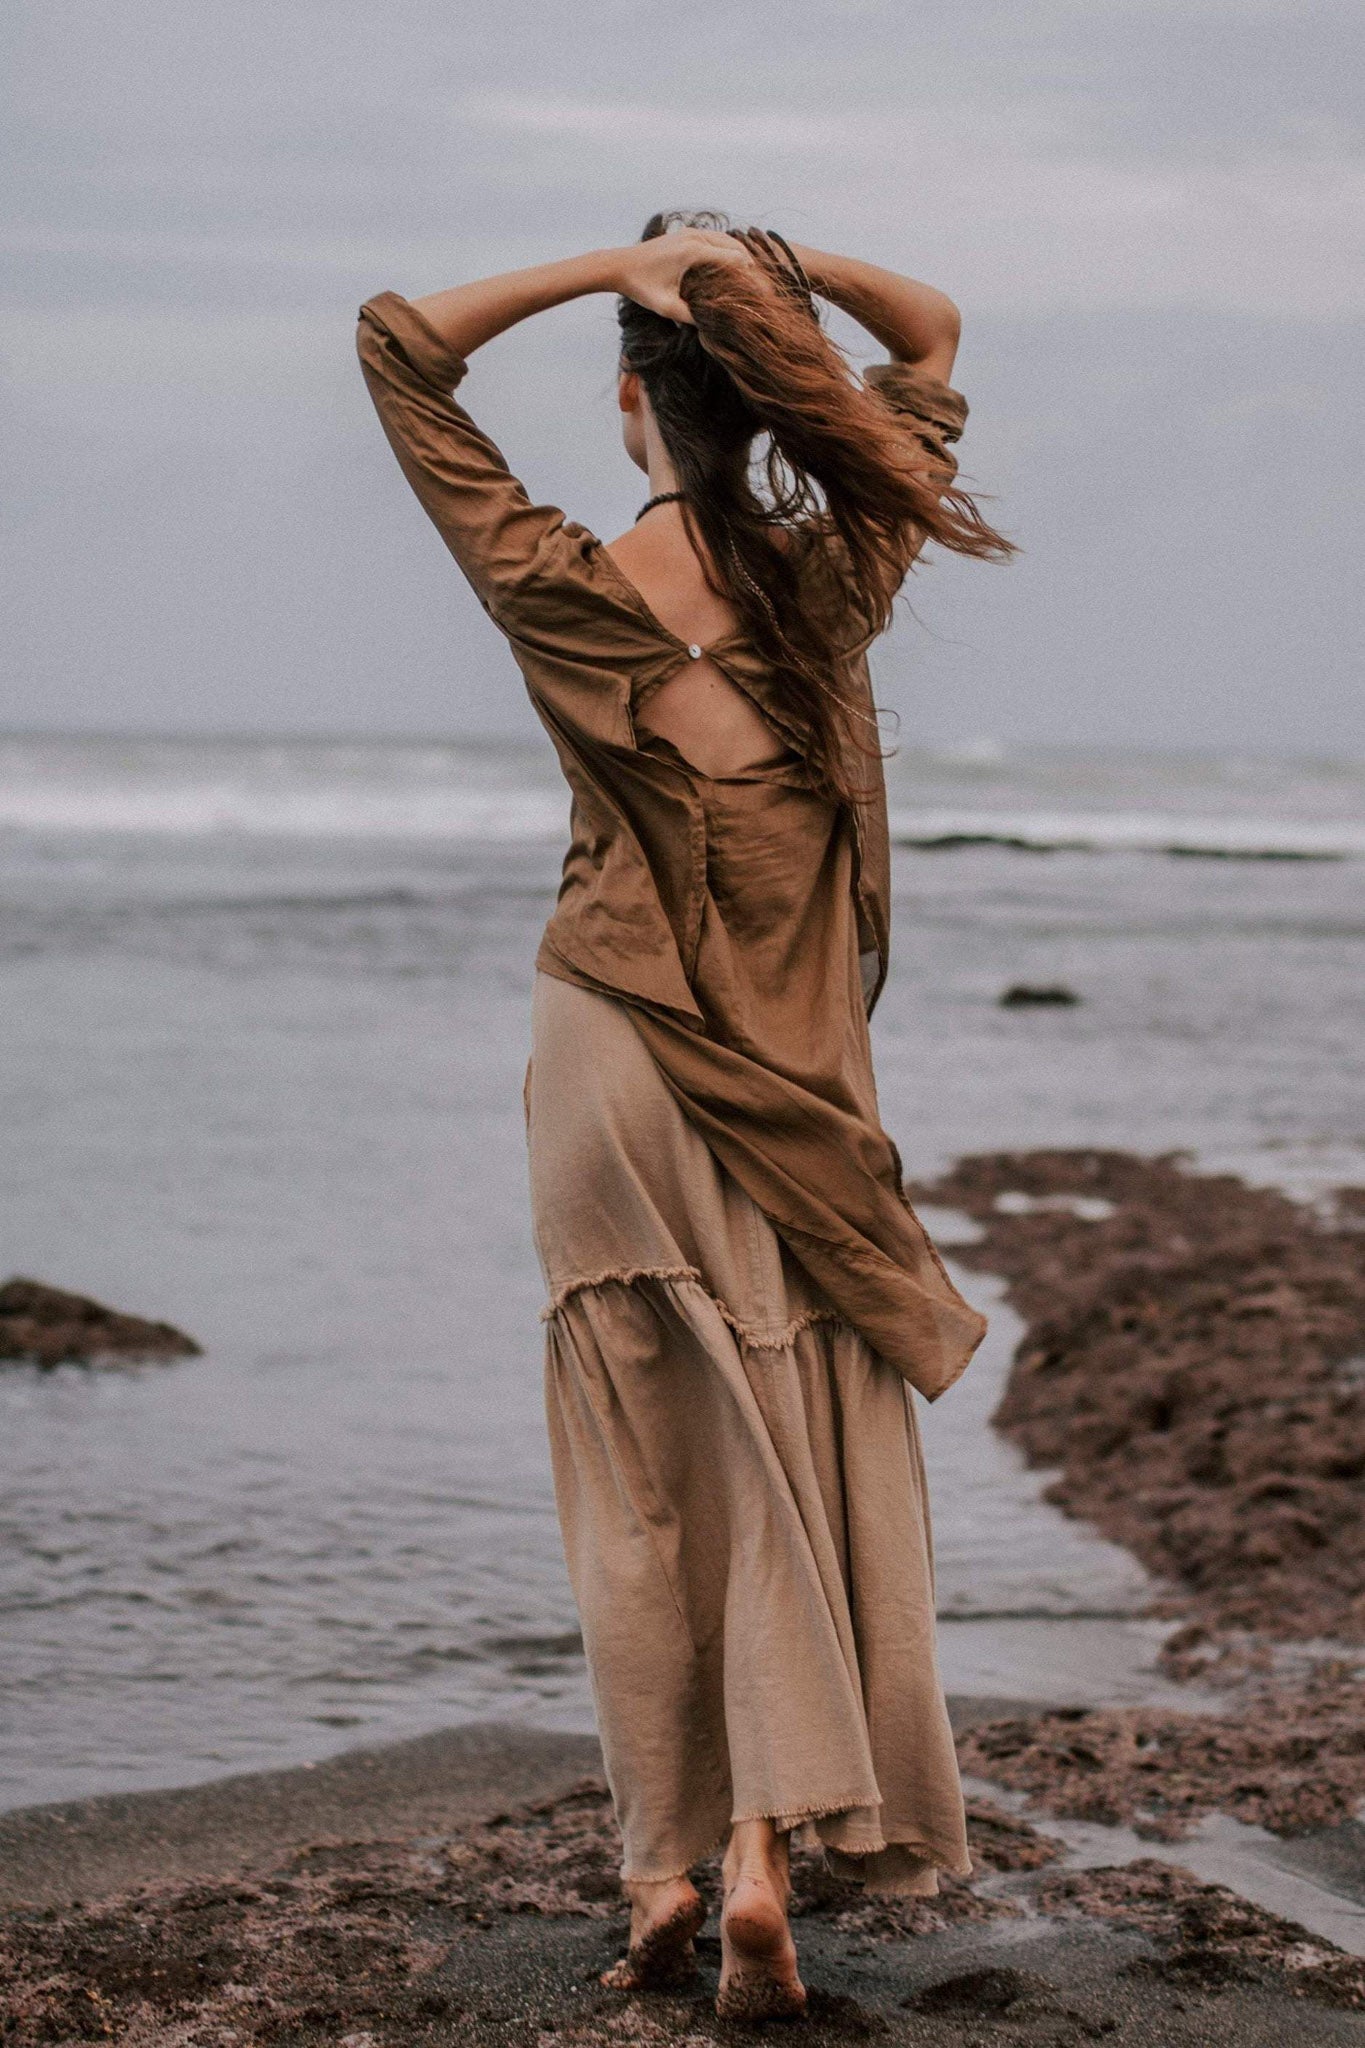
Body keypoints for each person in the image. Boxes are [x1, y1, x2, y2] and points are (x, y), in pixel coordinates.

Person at [356, 212, 1013, 2020]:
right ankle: (750, 1872)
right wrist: (764, 263)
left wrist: (607, 267)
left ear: (635, 408)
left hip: (608, 1054)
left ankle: (659, 1868)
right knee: (781, 1447)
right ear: (767, 402)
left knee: (644, 1477)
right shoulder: (835, 575)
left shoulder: (562, 581)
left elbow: (400, 346)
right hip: (791, 1085)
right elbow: (934, 328)